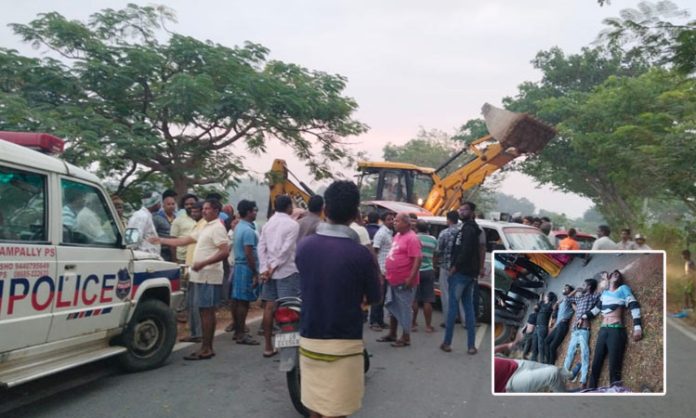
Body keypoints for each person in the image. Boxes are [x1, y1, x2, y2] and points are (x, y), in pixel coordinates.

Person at [295, 180, 380, 418]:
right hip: (345, 342)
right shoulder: (361, 255)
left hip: (310, 337)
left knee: (315, 407)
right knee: (338, 410)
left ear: (325, 209)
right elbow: (373, 297)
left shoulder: (304, 247)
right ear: (355, 214)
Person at [152, 199, 230, 360]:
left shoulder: (217, 227)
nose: (204, 211)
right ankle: (206, 346)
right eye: (204, 209)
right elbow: (183, 240)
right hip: (201, 275)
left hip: (208, 275)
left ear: (216, 210)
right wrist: (161, 240)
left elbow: (224, 252)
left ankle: (207, 348)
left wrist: (203, 263)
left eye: (208, 208)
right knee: (203, 310)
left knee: (207, 311)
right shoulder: (205, 226)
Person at [258, 195, 300, 358]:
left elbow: (261, 247)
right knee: (288, 308)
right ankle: (288, 349)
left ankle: (268, 346)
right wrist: (272, 267)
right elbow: (286, 250)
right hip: (286, 271)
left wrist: (264, 269)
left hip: (269, 272)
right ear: (289, 207)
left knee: (269, 307)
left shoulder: (268, 224)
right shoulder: (292, 224)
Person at [587, 270, 642, 389]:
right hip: (603, 331)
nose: (616, 274)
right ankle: (590, 391)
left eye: (619, 274)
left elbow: (634, 305)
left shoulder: (623, 288)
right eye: (614, 273)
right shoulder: (604, 293)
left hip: (616, 330)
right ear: (610, 277)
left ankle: (615, 392)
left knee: (614, 368)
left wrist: (637, 327)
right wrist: (583, 317)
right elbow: (595, 310)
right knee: (595, 365)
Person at [441, 201, 480, 354]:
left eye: (465, 210)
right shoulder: (468, 228)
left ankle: (447, 342)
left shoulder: (469, 229)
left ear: (471, 212)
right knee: (468, 308)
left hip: (461, 273)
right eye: (460, 209)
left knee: (452, 307)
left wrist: (455, 267)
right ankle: (471, 345)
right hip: (469, 274)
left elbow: (466, 250)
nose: (461, 212)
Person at [379, 212, 421, 347]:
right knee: (393, 307)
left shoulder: (412, 238)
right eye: (394, 221)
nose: (394, 223)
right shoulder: (397, 235)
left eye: (397, 221)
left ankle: (406, 337)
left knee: (404, 308)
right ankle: (392, 333)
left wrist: (411, 277)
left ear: (406, 224)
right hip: (393, 279)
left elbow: (417, 259)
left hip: (405, 281)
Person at [562, 277, 601, 389]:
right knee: (570, 353)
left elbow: (601, 295)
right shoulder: (579, 298)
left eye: (584, 285)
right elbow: (566, 300)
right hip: (575, 329)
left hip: (584, 329)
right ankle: (564, 374)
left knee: (585, 353)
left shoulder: (591, 296)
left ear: (589, 287)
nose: (581, 287)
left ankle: (583, 380)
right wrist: (575, 291)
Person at [494, 335, 569, 393]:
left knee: (546, 367)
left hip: (514, 364)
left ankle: (569, 375)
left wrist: (506, 346)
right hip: (509, 383)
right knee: (552, 374)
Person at [231, 199, 261, 345]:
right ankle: (241, 333)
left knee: (238, 300)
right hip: (245, 267)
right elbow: (249, 253)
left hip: (239, 266)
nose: (255, 213)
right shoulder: (248, 231)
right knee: (243, 302)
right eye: (254, 210)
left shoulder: (239, 227)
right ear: (249, 212)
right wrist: (255, 272)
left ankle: (238, 331)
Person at [436, 211, 463, 329]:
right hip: (460, 268)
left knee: (446, 294)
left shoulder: (444, 233)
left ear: (448, 220)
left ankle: (448, 321)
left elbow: (438, 250)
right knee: (461, 294)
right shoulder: (463, 233)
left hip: (446, 266)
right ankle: (465, 320)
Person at [369, 212, 394, 331]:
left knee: (383, 297)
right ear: (383, 221)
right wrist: (377, 270)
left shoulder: (390, 233)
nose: (391, 221)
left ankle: (380, 320)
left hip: (387, 269)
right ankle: (374, 321)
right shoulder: (381, 233)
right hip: (381, 269)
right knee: (378, 296)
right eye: (389, 219)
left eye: (392, 219)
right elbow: (374, 251)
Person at [412, 220, 437, 333]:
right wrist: (433, 266)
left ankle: (413, 323)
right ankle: (428, 326)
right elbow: (436, 254)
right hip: (428, 270)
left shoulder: (413, 238)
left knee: (414, 299)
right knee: (428, 299)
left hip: (415, 271)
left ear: (416, 229)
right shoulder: (433, 240)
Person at [544, 284, 575, 364]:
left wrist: (576, 290)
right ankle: (548, 361)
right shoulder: (562, 302)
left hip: (563, 325)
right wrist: (557, 303)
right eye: (564, 287)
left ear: (570, 291)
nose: (564, 289)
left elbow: (568, 298)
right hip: (558, 326)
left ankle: (550, 364)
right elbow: (554, 308)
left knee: (552, 347)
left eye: (566, 288)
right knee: (546, 341)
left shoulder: (569, 299)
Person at [127, 191, 161, 255]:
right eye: (158, 201)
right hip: (142, 257)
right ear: (153, 202)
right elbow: (131, 241)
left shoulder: (147, 215)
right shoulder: (141, 216)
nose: (160, 204)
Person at [170, 194, 199, 264]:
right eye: (186, 204)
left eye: (192, 204)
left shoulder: (202, 219)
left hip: (198, 257)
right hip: (182, 258)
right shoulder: (178, 220)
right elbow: (173, 241)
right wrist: (175, 260)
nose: (189, 206)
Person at [531, 292, 556, 363]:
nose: (545, 296)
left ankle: (543, 361)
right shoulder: (542, 304)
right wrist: (540, 298)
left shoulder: (550, 304)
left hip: (542, 326)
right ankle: (533, 360)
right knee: (534, 344)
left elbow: (555, 307)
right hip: (537, 327)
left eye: (546, 296)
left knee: (540, 345)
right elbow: (535, 308)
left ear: (548, 297)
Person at [153, 189, 177, 261]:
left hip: (174, 250)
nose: (171, 206)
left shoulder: (177, 218)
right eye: (168, 204)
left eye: (173, 204)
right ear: (163, 205)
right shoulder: (156, 218)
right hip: (163, 251)